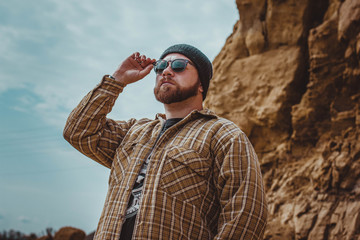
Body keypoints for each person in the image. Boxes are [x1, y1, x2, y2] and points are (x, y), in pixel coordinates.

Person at [63, 44, 268, 239]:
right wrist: (117, 80)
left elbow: (246, 214)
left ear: (201, 85)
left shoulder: (223, 135)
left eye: (179, 66)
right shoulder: (133, 131)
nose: (167, 71)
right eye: (161, 66)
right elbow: (78, 132)